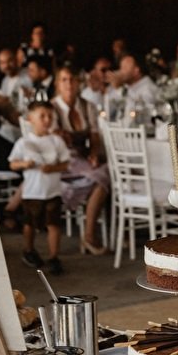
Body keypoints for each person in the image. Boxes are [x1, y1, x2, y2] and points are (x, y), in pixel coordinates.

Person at [51, 67, 110, 254]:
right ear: (58, 84)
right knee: (104, 175)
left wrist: (93, 153)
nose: (69, 84)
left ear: (78, 83)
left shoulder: (88, 106)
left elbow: (94, 136)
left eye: (72, 80)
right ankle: (90, 237)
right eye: (64, 80)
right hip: (62, 161)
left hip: (83, 159)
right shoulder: (52, 108)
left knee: (107, 174)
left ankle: (92, 234)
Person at [9, 102, 70, 274]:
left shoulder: (56, 141)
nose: (47, 120)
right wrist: (24, 164)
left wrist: (53, 168)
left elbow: (65, 164)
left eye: (50, 116)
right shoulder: (24, 142)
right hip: (32, 191)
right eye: (42, 116)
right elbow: (13, 164)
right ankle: (28, 250)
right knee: (30, 223)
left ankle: (53, 256)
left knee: (54, 224)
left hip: (52, 191)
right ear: (30, 119)